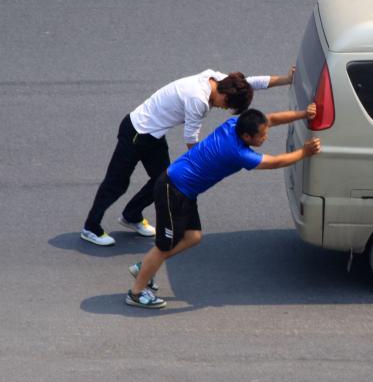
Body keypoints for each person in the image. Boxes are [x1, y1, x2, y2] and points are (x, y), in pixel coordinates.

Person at [126, 105, 320, 308]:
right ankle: (136, 293)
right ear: (247, 136)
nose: (266, 137)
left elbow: (271, 118)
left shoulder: (234, 124)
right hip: (173, 190)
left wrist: (304, 114)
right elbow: (276, 162)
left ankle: (145, 267)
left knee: (193, 237)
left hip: (184, 190)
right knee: (164, 246)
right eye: (262, 135)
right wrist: (304, 152)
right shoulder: (238, 153)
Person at [81, 67, 295, 246]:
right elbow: (192, 140)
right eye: (227, 105)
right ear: (225, 96)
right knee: (117, 183)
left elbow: (251, 83)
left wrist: (286, 80)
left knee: (162, 180)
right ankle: (91, 227)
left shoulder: (218, 79)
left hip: (154, 134)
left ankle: (131, 215)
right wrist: (206, 164)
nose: (223, 109)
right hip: (137, 132)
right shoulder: (198, 100)